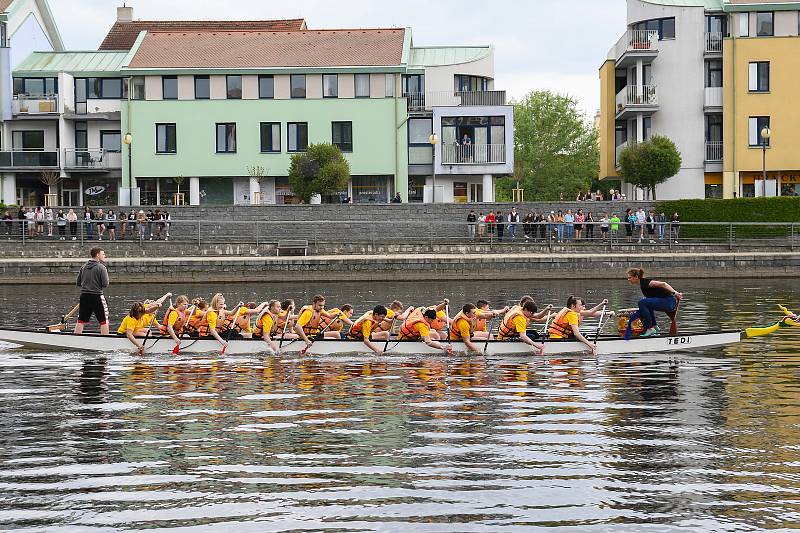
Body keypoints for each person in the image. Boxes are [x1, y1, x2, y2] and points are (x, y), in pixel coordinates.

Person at [626, 267, 682, 338]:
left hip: (669, 302)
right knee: (645, 302)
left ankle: (650, 328)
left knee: (642, 302)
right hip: (666, 302)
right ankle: (654, 327)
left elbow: (663, 284)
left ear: (636, 277)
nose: (628, 280)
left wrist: (675, 293)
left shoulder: (646, 282)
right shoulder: (642, 284)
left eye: (630, 278)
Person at [74, 247, 110, 335]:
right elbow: (105, 284)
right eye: (103, 254)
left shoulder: (84, 266)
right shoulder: (101, 267)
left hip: (84, 296)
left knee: (81, 320)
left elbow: (78, 283)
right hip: (97, 296)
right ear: (97, 255)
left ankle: (75, 337)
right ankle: (106, 340)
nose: (104, 256)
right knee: (104, 320)